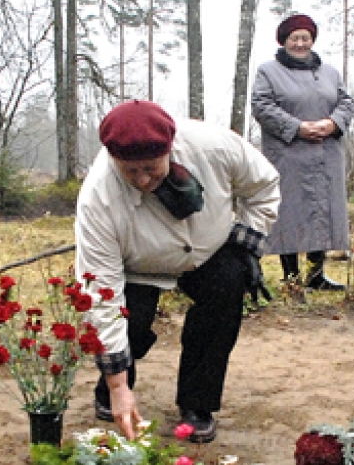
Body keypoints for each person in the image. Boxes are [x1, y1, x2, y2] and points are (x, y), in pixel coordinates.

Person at [75, 100, 280, 442]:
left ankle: (197, 403)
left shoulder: (214, 146)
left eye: (151, 168)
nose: (142, 180)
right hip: (138, 264)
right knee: (131, 325)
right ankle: (110, 387)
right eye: (130, 171)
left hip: (209, 248)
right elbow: (101, 294)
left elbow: (264, 185)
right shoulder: (97, 199)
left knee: (227, 286)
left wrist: (243, 242)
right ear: (113, 159)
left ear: (169, 148)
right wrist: (118, 385)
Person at [251, 13, 354, 290]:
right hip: (288, 154)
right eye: (294, 38)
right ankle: (292, 277)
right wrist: (298, 127)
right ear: (284, 41)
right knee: (291, 211)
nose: (300, 43)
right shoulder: (268, 71)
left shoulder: (330, 72)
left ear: (312, 40)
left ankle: (316, 275)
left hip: (325, 154)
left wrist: (332, 123)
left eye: (305, 38)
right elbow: (262, 106)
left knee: (321, 211)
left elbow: (346, 102)